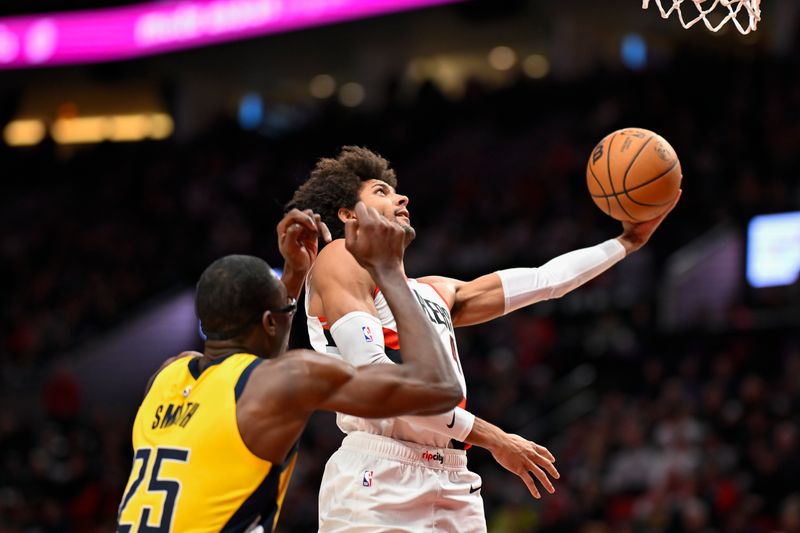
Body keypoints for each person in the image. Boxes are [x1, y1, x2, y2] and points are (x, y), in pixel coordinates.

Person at [286, 145, 680, 532]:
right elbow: (377, 378)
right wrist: (494, 438)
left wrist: (626, 243)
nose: (401, 195)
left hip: (453, 476)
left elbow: (548, 280)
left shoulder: (435, 291)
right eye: (381, 191)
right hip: (380, 475)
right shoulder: (340, 257)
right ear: (348, 214)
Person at [116, 206, 464, 533]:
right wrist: (389, 271)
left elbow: (251, 370)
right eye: (285, 310)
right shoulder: (291, 378)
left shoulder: (167, 375)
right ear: (270, 322)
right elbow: (438, 387)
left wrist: (295, 274)